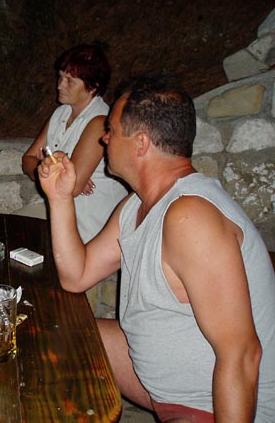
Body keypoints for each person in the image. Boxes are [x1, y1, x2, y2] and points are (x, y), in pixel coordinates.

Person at [38, 74, 275, 422]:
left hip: (211, 407)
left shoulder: (190, 217)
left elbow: (242, 355)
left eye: (112, 130)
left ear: (141, 143)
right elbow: (77, 275)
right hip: (167, 386)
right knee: (62, 329)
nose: (104, 138)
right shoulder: (138, 205)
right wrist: (60, 198)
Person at [14, 44, 128, 243]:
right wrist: (53, 171)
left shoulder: (100, 122)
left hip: (89, 223)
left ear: (92, 87)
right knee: (8, 231)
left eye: (70, 81)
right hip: (56, 209)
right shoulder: (61, 113)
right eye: (60, 77)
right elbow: (27, 160)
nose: (60, 86)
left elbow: (70, 187)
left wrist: (49, 171)